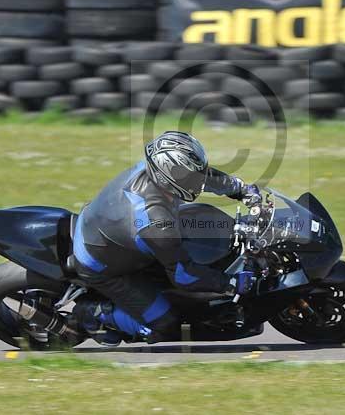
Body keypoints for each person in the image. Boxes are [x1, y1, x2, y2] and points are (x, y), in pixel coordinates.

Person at [72, 130, 260, 345]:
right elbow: (184, 276)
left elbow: (201, 176)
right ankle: (94, 314)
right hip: (100, 264)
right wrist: (231, 283)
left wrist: (241, 189)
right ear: (168, 176)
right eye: (190, 176)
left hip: (107, 227)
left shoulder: (157, 171)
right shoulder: (155, 221)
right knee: (167, 324)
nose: (198, 180)